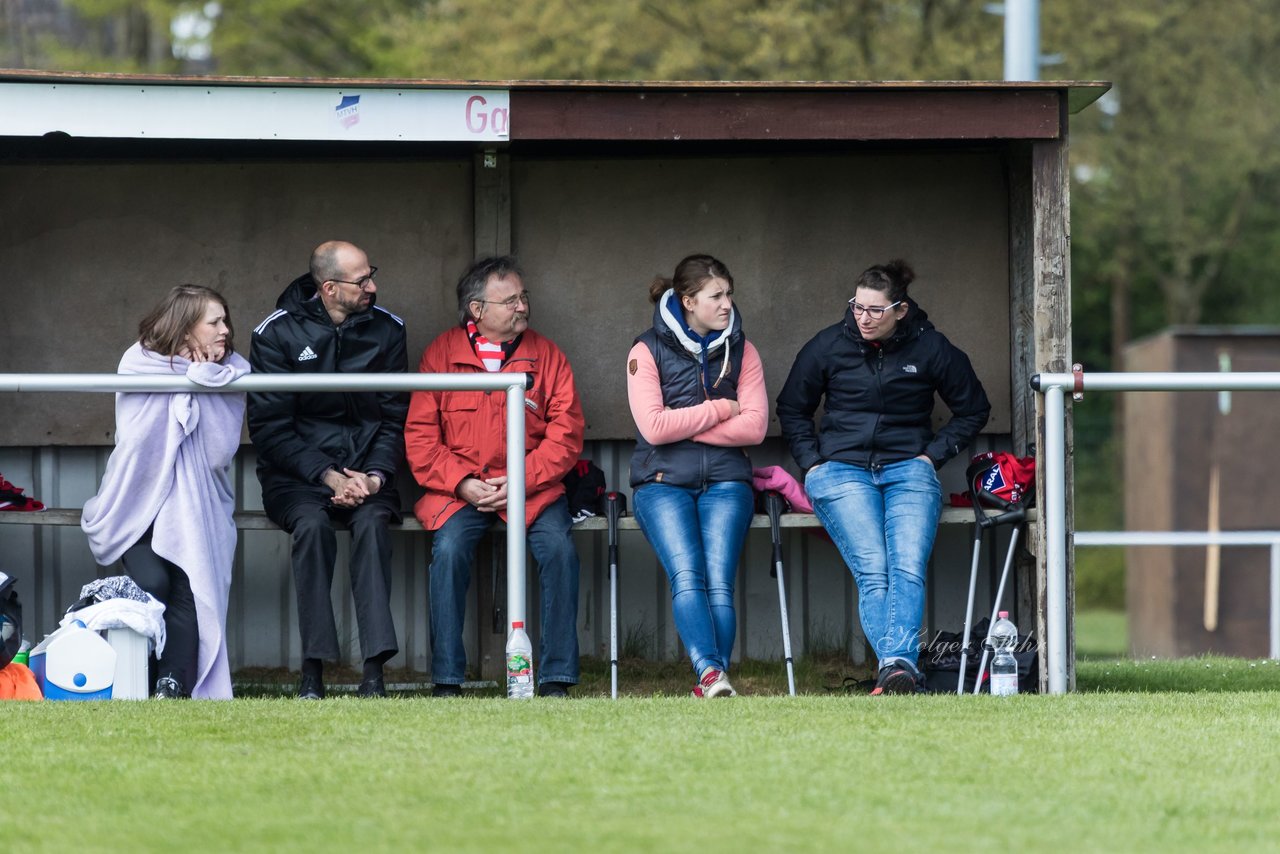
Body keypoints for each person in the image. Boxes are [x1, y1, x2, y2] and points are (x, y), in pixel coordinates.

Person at [777, 259, 990, 695]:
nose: (864, 318)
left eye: (876, 310)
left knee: (907, 566)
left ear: (900, 310)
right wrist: (813, 462)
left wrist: (932, 456)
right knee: (874, 569)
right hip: (839, 471)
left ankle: (894, 669)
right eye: (858, 307)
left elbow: (974, 408)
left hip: (908, 468)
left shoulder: (931, 348)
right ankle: (901, 667)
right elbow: (792, 408)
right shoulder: (827, 345)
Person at [405, 256, 584, 698]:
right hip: (461, 491)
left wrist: (521, 479)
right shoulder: (440, 355)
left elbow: (567, 434)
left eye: (524, 296)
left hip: (532, 490)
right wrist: (463, 482)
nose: (523, 306)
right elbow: (420, 437)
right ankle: (447, 680)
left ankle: (556, 677)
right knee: (448, 552)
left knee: (560, 550)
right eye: (511, 300)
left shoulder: (548, 356)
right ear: (477, 310)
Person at [248, 241, 408, 699]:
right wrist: (328, 475)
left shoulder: (387, 330)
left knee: (374, 524)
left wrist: (373, 476)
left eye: (371, 274)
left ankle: (375, 672)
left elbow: (394, 417)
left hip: (367, 474)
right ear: (330, 288)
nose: (373, 286)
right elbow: (270, 429)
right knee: (313, 528)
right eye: (363, 281)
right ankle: (312, 672)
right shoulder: (275, 334)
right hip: (297, 479)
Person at [82, 285, 250, 699]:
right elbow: (139, 441)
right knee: (154, 582)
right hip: (137, 500)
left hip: (198, 505)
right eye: (214, 321)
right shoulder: (138, 362)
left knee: (190, 582)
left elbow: (216, 452)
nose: (225, 329)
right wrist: (189, 383)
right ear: (186, 326)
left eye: (225, 319)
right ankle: (144, 672)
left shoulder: (232, 371)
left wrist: (204, 380)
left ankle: (171, 683)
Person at [627, 255, 768, 698]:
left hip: (728, 482)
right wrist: (722, 409)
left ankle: (712, 678)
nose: (727, 304)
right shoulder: (645, 350)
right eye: (716, 296)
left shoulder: (744, 350)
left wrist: (683, 423)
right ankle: (711, 673)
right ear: (688, 301)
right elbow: (652, 428)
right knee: (688, 575)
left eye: (729, 295)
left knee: (719, 581)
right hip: (662, 482)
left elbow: (756, 427)